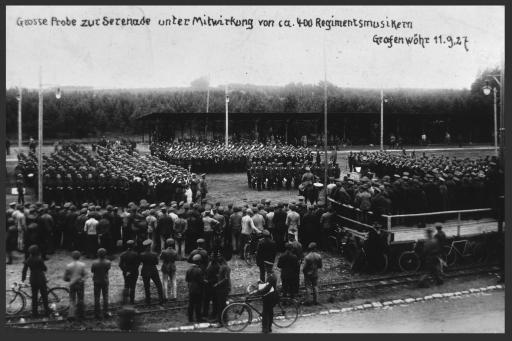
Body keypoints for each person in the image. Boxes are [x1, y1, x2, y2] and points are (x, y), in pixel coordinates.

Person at [21, 245, 51, 317]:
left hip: (33, 279)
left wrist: (23, 279)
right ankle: (47, 312)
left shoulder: (28, 260)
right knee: (44, 296)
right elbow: (44, 268)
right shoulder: (40, 259)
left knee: (34, 297)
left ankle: (35, 313)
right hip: (41, 279)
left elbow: (24, 271)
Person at [249, 260, 279, 334]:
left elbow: (267, 288)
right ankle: (269, 328)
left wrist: (257, 292)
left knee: (266, 313)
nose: (265, 269)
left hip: (270, 296)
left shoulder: (271, 276)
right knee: (270, 312)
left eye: (266, 267)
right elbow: (267, 285)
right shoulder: (270, 274)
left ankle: (265, 329)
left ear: (269, 268)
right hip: (271, 295)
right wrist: (261, 283)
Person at [64, 251, 88, 320]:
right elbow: (85, 275)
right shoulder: (82, 265)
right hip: (80, 284)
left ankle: (71, 315)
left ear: (72, 257)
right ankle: (81, 315)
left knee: (72, 299)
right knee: (80, 299)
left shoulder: (69, 266)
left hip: (72, 284)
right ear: (79, 256)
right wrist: (82, 280)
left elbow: (65, 278)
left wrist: (70, 279)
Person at [140, 239, 164, 305]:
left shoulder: (142, 254)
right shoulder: (154, 254)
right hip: (153, 270)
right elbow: (156, 263)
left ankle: (148, 301)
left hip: (145, 270)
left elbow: (141, 262)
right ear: (150, 246)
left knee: (146, 286)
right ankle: (161, 300)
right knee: (159, 285)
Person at [91, 248, 111, 319]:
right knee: (105, 297)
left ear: (98, 254)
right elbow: (107, 269)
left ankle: (97, 314)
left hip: (96, 281)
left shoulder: (94, 262)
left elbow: (92, 271)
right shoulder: (108, 262)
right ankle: (105, 312)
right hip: (105, 281)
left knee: (97, 298)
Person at [119, 240, 140, 305]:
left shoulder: (123, 254)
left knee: (126, 285)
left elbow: (120, 264)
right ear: (133, 246)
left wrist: (126, 271)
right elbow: (137, 265)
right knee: (133, 286)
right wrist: (131, 271)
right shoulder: (136, 254)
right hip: (134, 272)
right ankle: (132, 301)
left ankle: (125, 300)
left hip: (126, 272)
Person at [186, 254, 206, 323]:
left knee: (191, 304)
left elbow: (187, 279)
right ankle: (198, 318)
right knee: (198, 304)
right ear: (199, 262)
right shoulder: (199, 270)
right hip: (198, 289)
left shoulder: (188, 269)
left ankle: (190, 319)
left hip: (191, 288)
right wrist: (205, 281)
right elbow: (201, 281)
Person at [213, 253, 231, 323]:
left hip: (224, 288)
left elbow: (226, 278)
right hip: (221, 288)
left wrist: (217, 283)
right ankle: (220, 319)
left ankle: (223, 320)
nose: (218, 258)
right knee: (220, 304)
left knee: (222, 305)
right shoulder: (222, 266)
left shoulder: (226, 267)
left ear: (223, 258)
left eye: (219, 256)